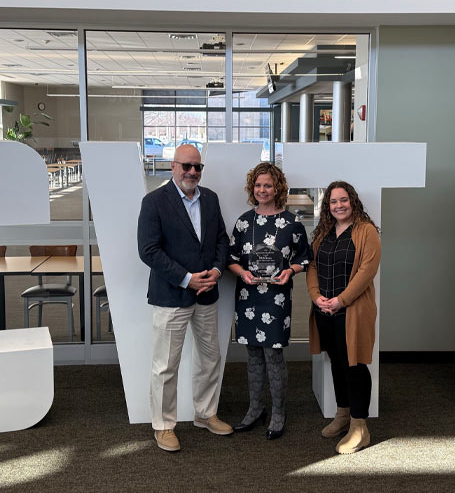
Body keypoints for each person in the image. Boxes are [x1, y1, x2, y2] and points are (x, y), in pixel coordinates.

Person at [137, 143, 232, 452]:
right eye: (186, 166)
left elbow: (221, 239)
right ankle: (163, 425)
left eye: (197, 167)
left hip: (208, 293)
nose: (193, 172)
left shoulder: (211, 199)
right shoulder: (154, 202)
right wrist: (188, 279)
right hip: (171, 295)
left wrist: (217, 271)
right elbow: (149, 251)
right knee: (165, 365)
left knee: (210, 358)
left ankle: (205, 414)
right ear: (172, 167)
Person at [227, 163, 310, 440]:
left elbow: (304, 258)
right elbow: (231, 258)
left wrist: (290, 270)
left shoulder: (292, 224)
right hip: (248, 296)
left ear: (278, 189)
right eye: (258, 185)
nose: (262, 190)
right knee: (252, 355)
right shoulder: (243, 222)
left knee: (273, 355)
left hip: (276, 298)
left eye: (268, 185)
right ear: (253, 188)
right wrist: (243, 274)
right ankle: (255, 408)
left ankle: (278, 411)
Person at [306, 181, 381, 454]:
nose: (338, 205)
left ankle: (360, 427)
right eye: (333, 202)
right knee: (337, 362)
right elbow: (312, 265)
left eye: (343, 200)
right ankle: (343, 414)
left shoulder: (366, 231)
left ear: (353, 201)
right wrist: (317, 297)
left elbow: (366, 271)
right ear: (327, 207)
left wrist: (341, 300)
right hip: (325, 310)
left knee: (355, 365)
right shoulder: (324, 232)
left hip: (352, 311)